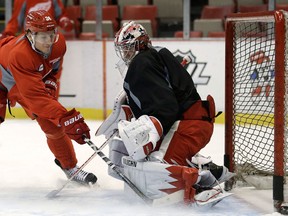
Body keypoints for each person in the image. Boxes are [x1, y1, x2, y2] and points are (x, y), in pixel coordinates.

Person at [96, 21, 234, 205]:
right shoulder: (155, 54)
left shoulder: (141, 63)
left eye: (127, 48)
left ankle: (202, 186)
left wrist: (146, 131)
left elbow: (165, 108)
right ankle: (206, 168)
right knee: (151, 158)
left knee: (157, 167)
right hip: (195, 123)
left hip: (187, 126)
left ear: (138, 44)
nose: (125, 53)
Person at [0, 10, 97, 185]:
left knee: (52, 125)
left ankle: (70, 167)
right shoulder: (20, 54)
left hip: (21, 78)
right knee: (53, 116)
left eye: (51, 36)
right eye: (43, 38)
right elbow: (36, 98)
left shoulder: (59, 44)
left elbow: (54, 69)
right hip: (4, 75)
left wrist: (51, 82)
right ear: (29, 35)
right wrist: (66, 117)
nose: (48, 43)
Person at [1, 0, 74, 98]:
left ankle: (50, 107)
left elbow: (61, 14)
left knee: (51, 83)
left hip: (49, 45)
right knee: (33, 87)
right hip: (32, 48)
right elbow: (15, 21)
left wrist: (64, 20)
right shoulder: (22, 1)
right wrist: (7, 35)